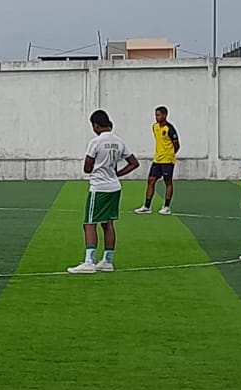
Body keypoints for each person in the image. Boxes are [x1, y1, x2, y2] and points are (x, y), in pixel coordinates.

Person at [68, 110, 138, 274]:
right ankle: (107, 260)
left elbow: (87, 168)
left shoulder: (95, 142)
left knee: (89, 223)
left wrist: (96, 167)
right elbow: (134, 163)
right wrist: (117, 174)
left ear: (96, 125)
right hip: (114, 187)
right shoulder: (119, 141)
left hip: (99, 187)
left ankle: (89, 262)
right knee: (108, 224)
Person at [137, 106, 180, 215]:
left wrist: (169, 154)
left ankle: (166, 207)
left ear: (165, 115)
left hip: (167, 160)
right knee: (151, 180)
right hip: (157, 159)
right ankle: (147, 206)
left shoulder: (170, 129)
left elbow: (177, 145)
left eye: (159, 115)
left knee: (167, 181)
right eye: (156, 115)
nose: (156, 117)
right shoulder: (155, 127)